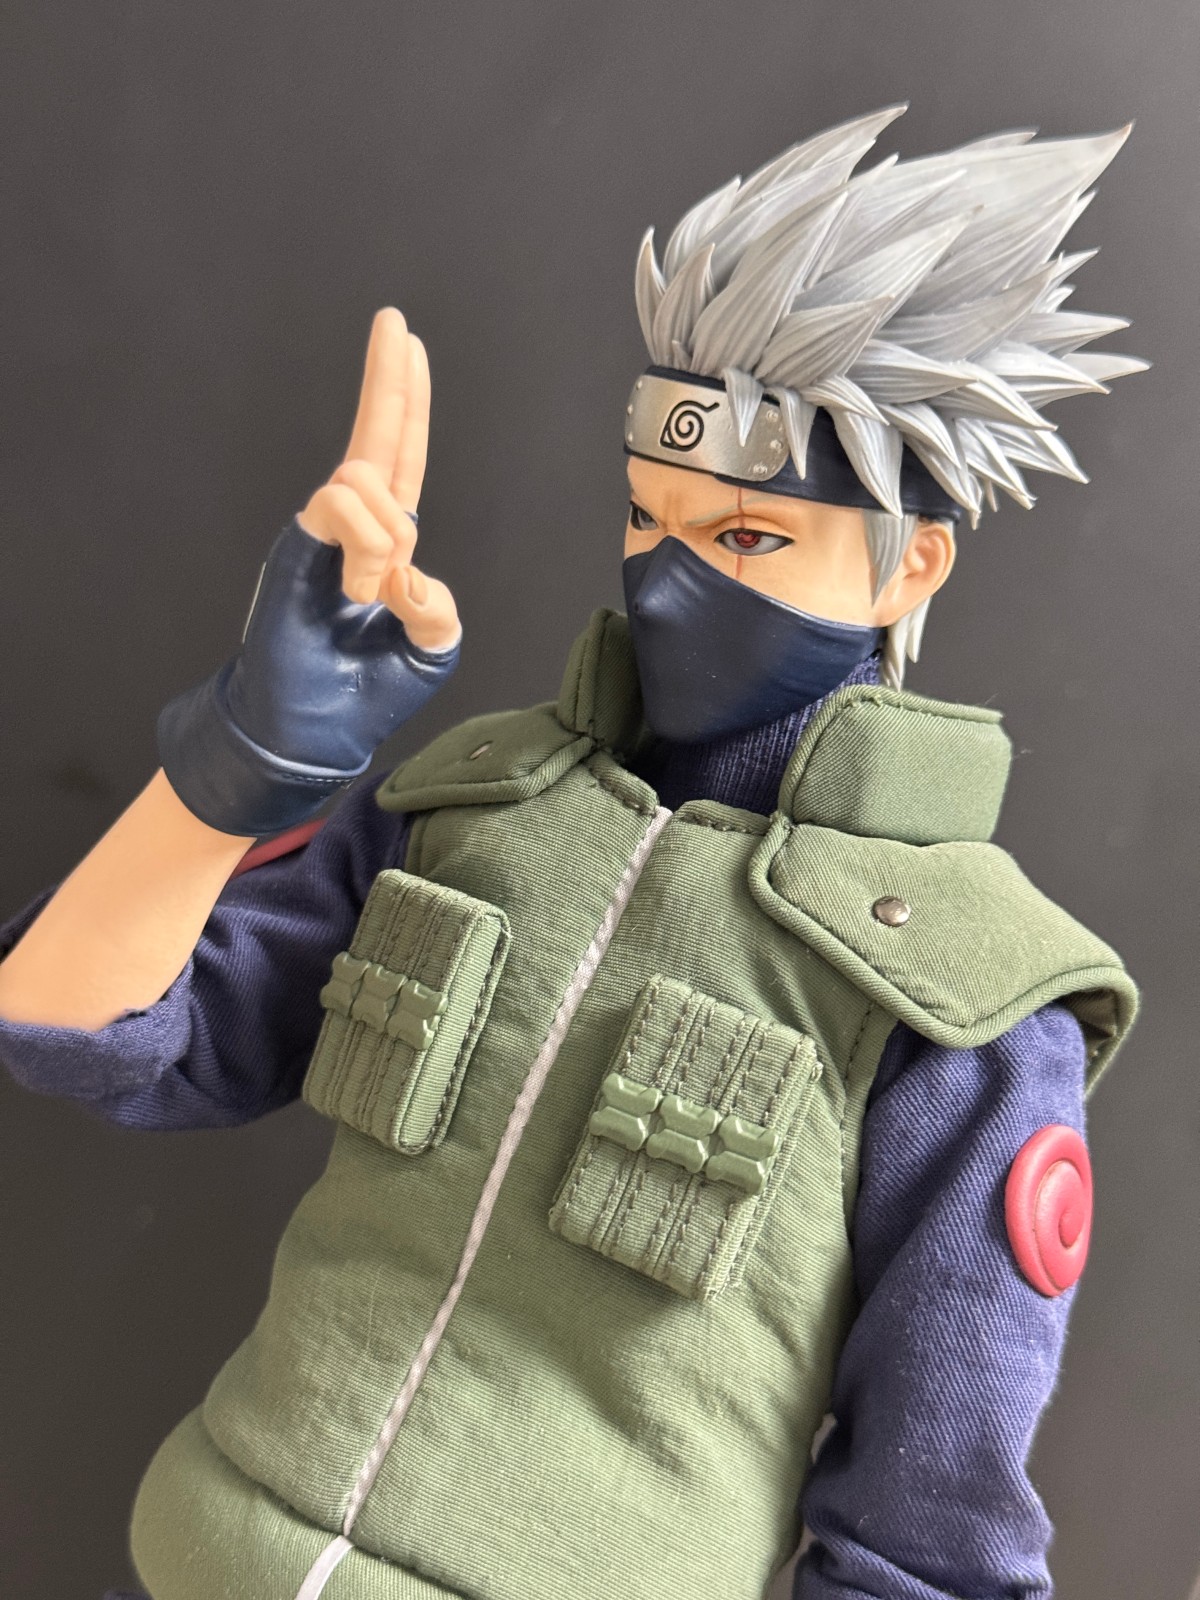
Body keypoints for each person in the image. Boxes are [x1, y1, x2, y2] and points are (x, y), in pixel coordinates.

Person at [0, 105, 1143, 1600]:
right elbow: (77, 1029)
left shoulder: (961, 1003)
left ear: (907, 564)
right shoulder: (475, 808)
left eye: (747, 537)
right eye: (649, 516)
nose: (667, 582)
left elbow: (930, 1544)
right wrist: (232, 769)